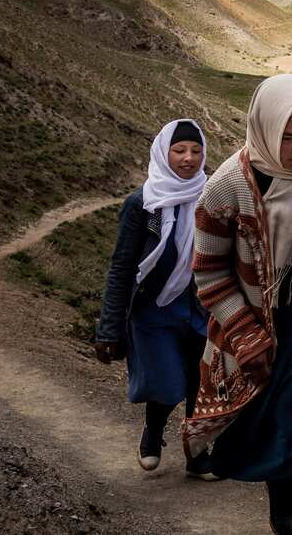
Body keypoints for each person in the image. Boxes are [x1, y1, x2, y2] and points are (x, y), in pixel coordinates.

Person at [182, 74, 292, 535]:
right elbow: (209, 271)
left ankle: (284, 506)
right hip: (270, 327)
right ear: (264, 126)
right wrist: (244, 334)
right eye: (287, 136)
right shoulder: (227, 187)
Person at [96, 118, 216, 479]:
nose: (188, 159)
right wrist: (109, 329)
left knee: (200, 381)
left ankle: (197, 453)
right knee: (168, 382)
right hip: (153, 308)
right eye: (179, 150)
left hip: (199, 305)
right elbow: (121, 267)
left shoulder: (211, 196)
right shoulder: (142, 205)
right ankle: (153, 430)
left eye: (196, 151)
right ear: (163, 153)